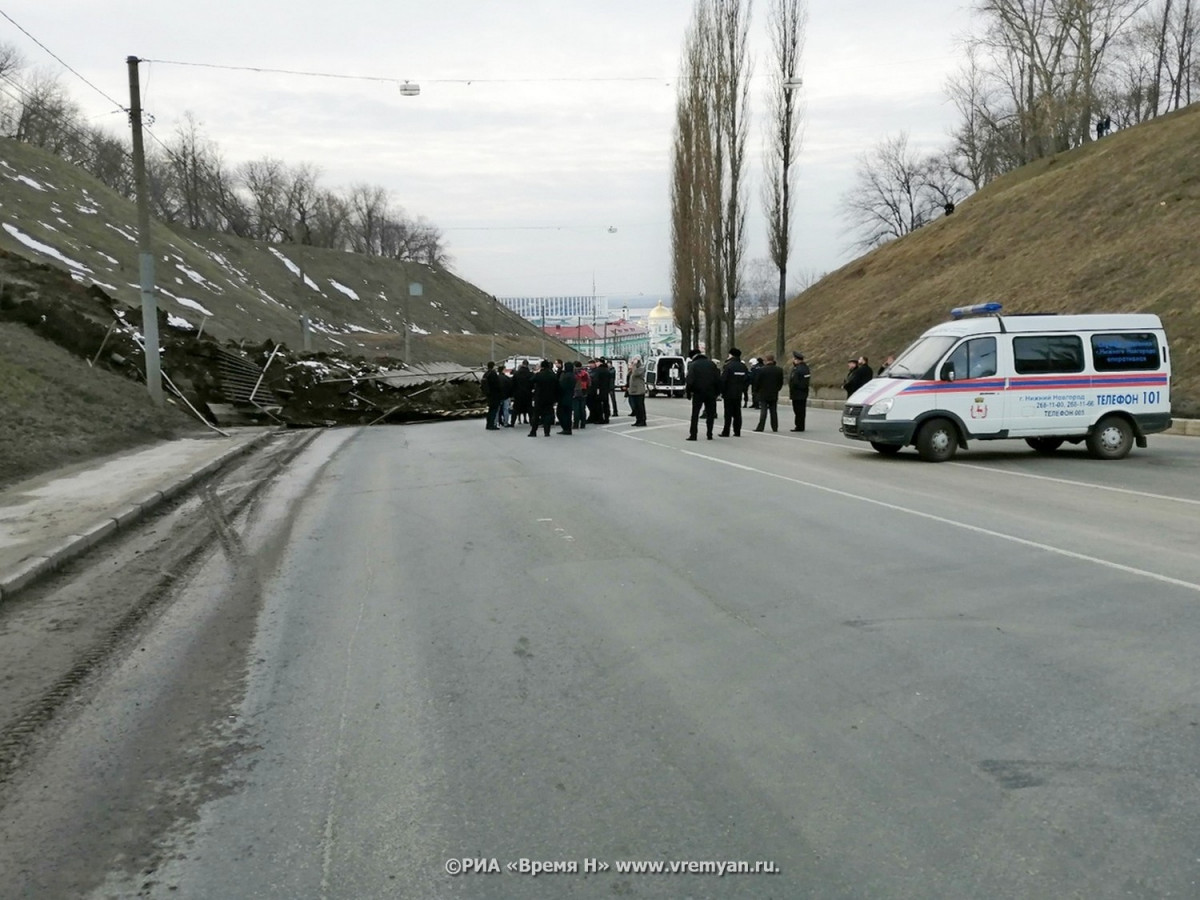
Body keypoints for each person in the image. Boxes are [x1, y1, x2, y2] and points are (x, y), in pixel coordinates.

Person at [684, 348, 721, 441]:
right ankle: (709, 434)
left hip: (698, 392)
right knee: (710, 414)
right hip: (711, 392)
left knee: (695, 414)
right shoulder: (711, 364)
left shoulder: (693, 365)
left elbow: (690, 380)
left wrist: (688, 392)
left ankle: (693, 434)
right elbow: (718, 379)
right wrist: (717, 392)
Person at [718, 347, 749, 437]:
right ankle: (737, 431)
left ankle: (726, 431)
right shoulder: (743, 366)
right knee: (737, 413)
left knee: (728, 413)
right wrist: (743, 388)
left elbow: (723, 380)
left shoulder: (728, 366)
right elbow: (747, 379)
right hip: (738, 393)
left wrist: (721, 391)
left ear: (731, 355)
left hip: (728, 393)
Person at [752, 354, 785, 432]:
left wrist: (756, 391)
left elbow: (757, 382)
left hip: (763, 393)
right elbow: (780, 382)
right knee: (773, 411)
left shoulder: (761, 370)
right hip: (774, 393)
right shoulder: (779, 370)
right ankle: (775, 427)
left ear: (766, 360)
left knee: (763, 411)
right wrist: (777, 389)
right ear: (773, 360)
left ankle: (760, 427)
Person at [528, 359, 560, 437]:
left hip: (539, 397)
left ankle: (533, 431)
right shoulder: (553, 375)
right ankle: (547, 432)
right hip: (549, 398)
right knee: (547, 414)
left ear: (542, 366)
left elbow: (530, 381)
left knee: (536, 415)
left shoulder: (539, 374)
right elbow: (557, 386)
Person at [788, 351, 811, 432]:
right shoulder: (800, 368)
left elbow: (800, 382)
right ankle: (799, 425)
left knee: (799, 411)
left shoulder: (801, 369)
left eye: (794, 359)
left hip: (799, 393)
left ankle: (799, 426)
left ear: (797, 360)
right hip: (798, 393)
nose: (793, 360)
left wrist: (796, 387)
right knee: (799, 410)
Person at [481, 361, 502, 430]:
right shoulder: (493, 374)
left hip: (488, 394)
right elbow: (497, 385)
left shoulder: (486, 374)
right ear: (493, 366)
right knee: (493, 410)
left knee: (490, 410)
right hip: (494, 395)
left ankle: (488, 424)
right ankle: (491, 425)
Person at [627, 356, 647, 426]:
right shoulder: (633, 368)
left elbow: (636, 374)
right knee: (636, 407)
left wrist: (634, 365)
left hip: (639, 390)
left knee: (640, 406)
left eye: (635, 360)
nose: (633, 362)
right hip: (633, 390)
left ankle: (642, 420)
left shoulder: (641, 367)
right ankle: (638, 420)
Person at [511, 360, 533, 426]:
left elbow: (512, 383)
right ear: (527, 365)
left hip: (518, 394)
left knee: (515, 408)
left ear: (522, 364)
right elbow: (533, 384)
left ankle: (512, 422)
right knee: (529, 408)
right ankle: (532, 422)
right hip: (528, 393)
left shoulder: (516, 374)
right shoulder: (530, 374)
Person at [557, 362, 576, 434]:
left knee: (561, 413)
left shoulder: (565, 376)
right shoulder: (572, 375)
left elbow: (561, 386)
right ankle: (568, 428)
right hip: (570, 396)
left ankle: (565, 428)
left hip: (563, 397)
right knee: (568, 413)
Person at [572, 361, 590, 430]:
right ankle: (583, 423)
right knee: (582, 408)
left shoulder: (574, 373)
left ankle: (576, 424)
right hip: (584, 392)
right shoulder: (585, 373)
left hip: (575, 392)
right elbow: (589, 383)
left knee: (576, 409)